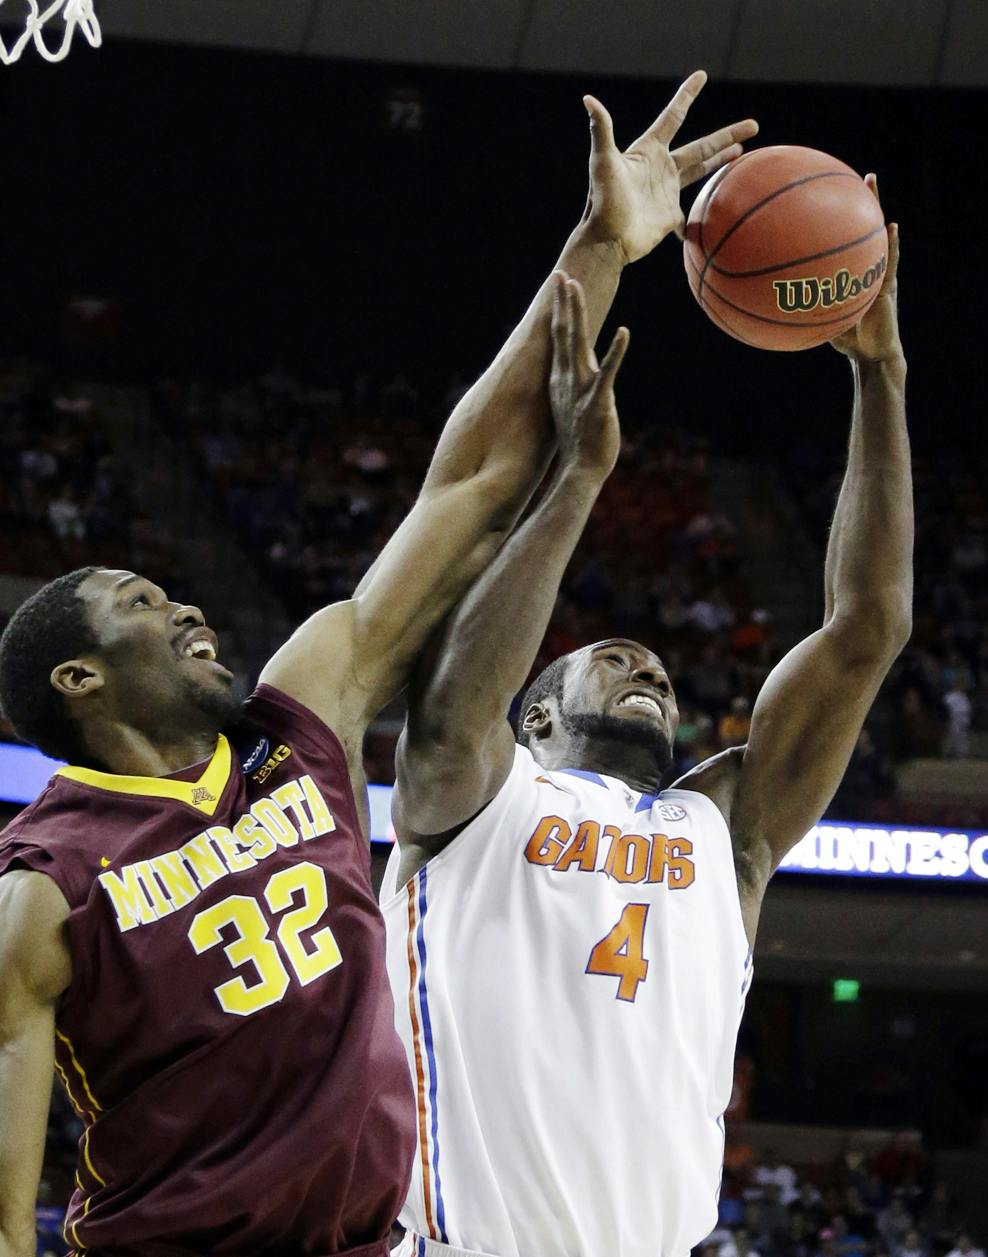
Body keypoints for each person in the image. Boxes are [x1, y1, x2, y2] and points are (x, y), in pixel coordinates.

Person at [0, 75, 755, 1257]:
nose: (188, 606)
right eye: (143, 604)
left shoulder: (297, 721)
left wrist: (600, 249)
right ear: (78, 681)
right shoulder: (44, 883)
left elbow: (466, 486)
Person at [381, 187, 910, 1255]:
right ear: (531, 715)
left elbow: (865, 631)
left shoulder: (724, 827)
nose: (646, 667)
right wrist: (576, 477)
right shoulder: (475, 796)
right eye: (607, 658)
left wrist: (878, 375)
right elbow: (448, 716)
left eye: (658, 668)